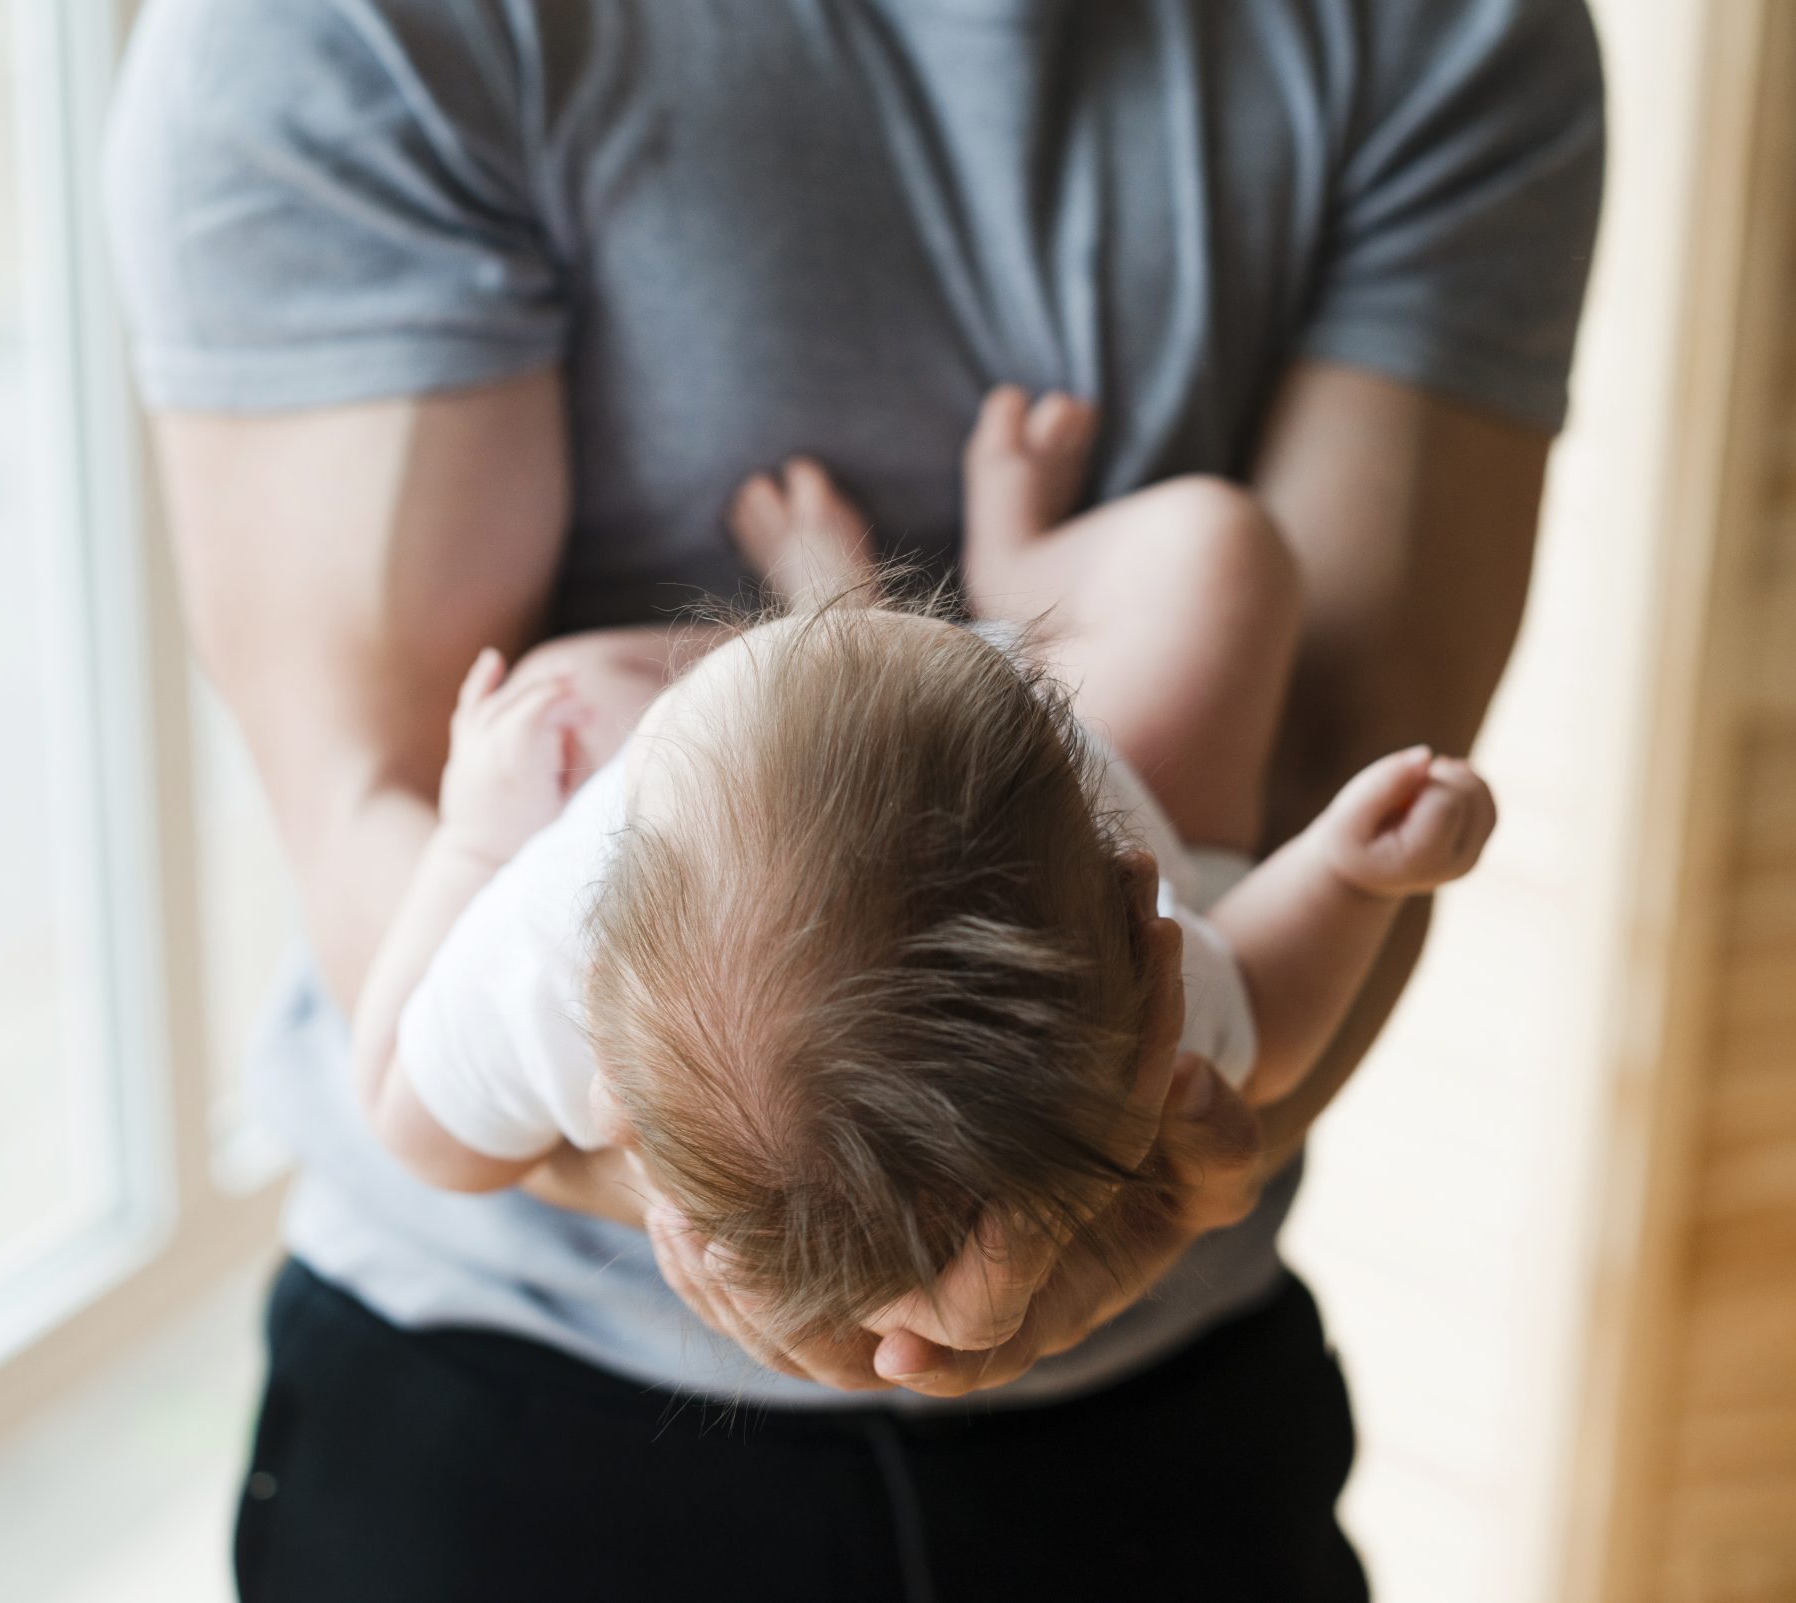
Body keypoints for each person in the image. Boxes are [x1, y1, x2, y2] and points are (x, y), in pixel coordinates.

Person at [103, 0, 1604, 1594]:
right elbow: (368, 798)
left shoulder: (1452, 30)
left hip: (1155, 1407)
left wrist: (491, 832)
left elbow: (420, 1075)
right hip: (521, 1398)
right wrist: (1347, 883)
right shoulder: (350, 33)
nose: (743, 652)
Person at [352, 387, 1498, 1360]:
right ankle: (996, 572)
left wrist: (475, 844)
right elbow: (1265, 1013)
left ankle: (832, 614)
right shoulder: (1111, 990)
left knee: (552, 702)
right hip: (1102, 782)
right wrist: (1352, 875)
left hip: (707, 806)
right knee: (1220, 552)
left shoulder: (549, 938)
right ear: (1116, 895)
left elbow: (412, 1127)